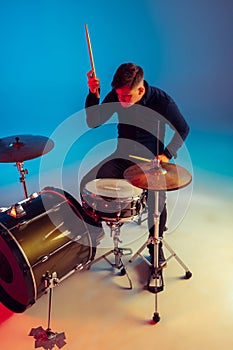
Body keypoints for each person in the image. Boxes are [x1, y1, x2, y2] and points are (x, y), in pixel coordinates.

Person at [80, 62, 190, 266]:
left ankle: (155, 245)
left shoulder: (162, 101)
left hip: (151, 162)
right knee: (88, 185)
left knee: (157, 201)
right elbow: (93, 122)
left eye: (126, 97)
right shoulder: (117, 95)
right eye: (119, 96)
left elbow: (183, 129)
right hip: (122, 157)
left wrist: (166, 155)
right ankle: (93, 235)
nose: (121, 101)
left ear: (140, 89)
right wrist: (93, 93)